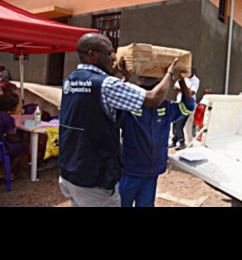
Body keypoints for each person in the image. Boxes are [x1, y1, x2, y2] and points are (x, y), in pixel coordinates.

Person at [58, 33, 180, 207]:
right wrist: (170, 73)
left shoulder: (70, 80)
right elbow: (153, 98)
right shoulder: (106, 84)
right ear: (92, 55)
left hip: (70, 171)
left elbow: (102, 101)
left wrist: (122, 78)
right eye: (109, 53)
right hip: (94, 178)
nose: (114, 58)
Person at [118, 75, 195, 207]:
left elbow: (188, 106)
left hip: (151, 174)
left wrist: (181, 80)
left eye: (154, 88)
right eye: (144, 89)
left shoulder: (166, 108)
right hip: (129, 173)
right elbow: (111, 103)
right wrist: (123, 80)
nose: (150, 93)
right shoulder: (129, 109)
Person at [169, 65, 200, 150]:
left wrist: (182, 88)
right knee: (176, 124)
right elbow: (175, 88)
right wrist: (186, 89)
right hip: (178, 103)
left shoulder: (196, 80)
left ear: (193, 72)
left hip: (187, 105)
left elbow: (191, 93)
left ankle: (181, 142)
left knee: (179, 123)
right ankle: (174, 141)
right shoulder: (184, 78)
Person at [0, 89, 24, 181]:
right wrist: (20, 140)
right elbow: (11, 138)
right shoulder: (7, 119)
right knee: (20, 148)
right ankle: (5, 173)